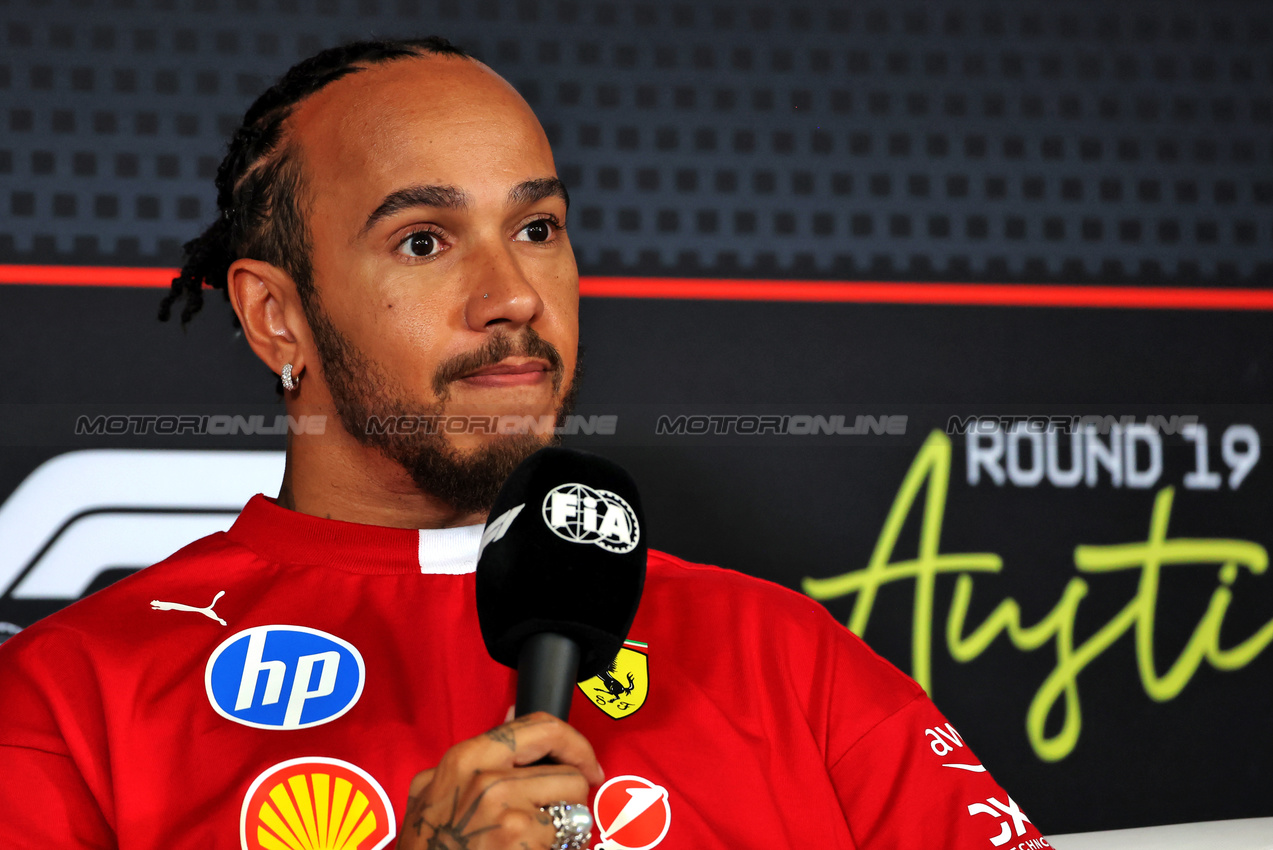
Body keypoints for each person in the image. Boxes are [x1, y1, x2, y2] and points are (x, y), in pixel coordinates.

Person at [0, 38, 1048, 849]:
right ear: (278, 316)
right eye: (423, 240)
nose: (510, 297)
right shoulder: (71, 700)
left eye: (537, 228)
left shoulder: (785, 655)